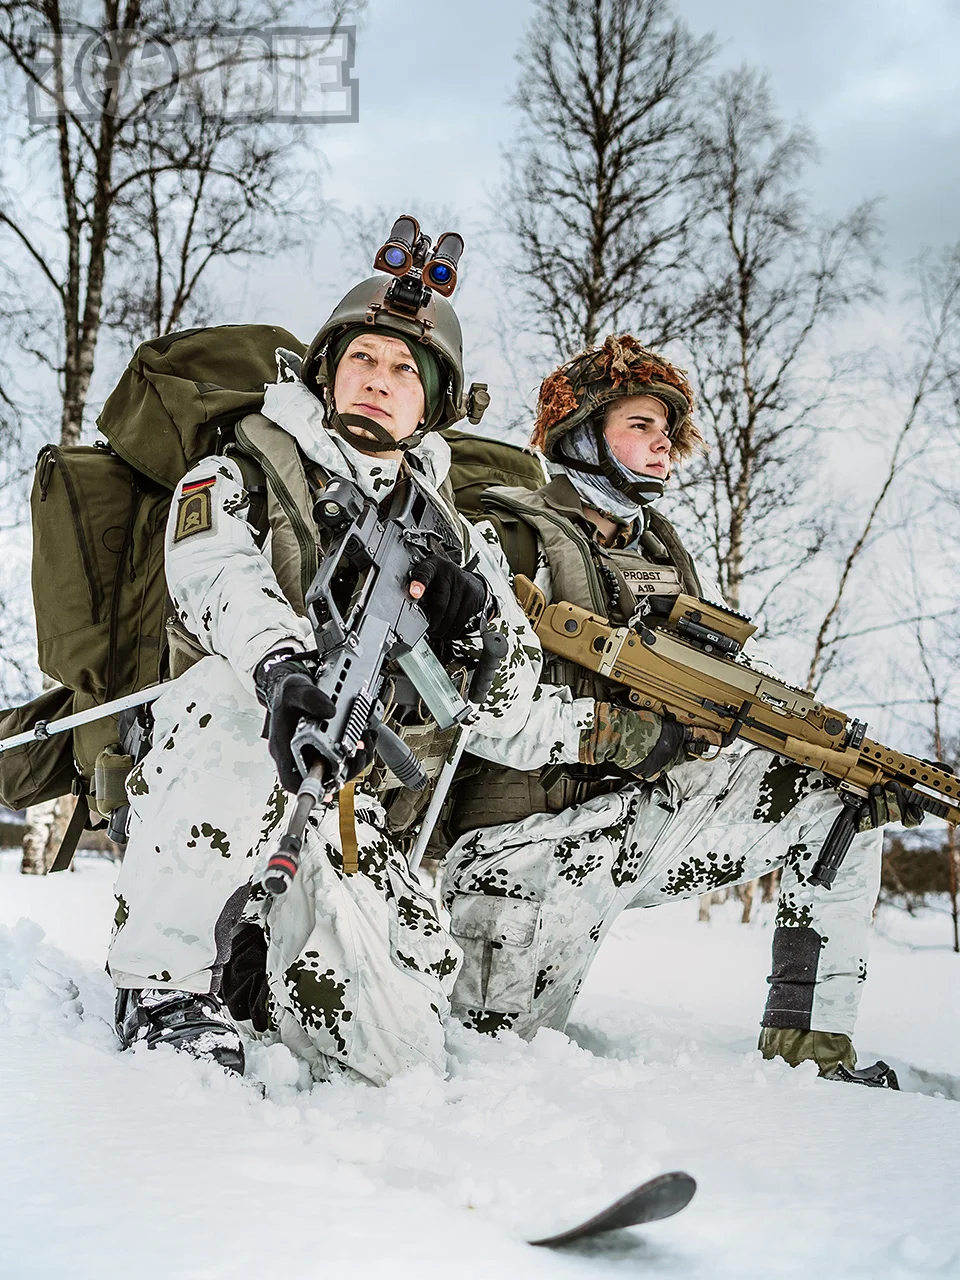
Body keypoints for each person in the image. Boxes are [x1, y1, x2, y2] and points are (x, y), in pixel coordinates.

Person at [441, 334, 921, 1086]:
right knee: (489, 1070)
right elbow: (466, 705)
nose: (662, 446)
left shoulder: (661, 554)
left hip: (637, 824)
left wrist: (793, 748)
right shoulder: (507, 538)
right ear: (580, 433)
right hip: (521, 848)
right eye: (640, 426)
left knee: (841, 796)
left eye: (669, 433)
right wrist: (623, 734)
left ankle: (812, 1062)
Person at [107, 266, 545, 1085]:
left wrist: (478, 617)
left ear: (434, 404)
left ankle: (259, 963)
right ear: (327, 371)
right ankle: (161, 983)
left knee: (402, 1051)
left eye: (405, 372)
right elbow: (214, 576)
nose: (379, 382)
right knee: (227, 696)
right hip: (225, 776)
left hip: (343, 803)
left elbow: (513, 707)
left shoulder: (457, 534)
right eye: (363, 361)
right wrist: (284, 667)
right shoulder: (236, 468)